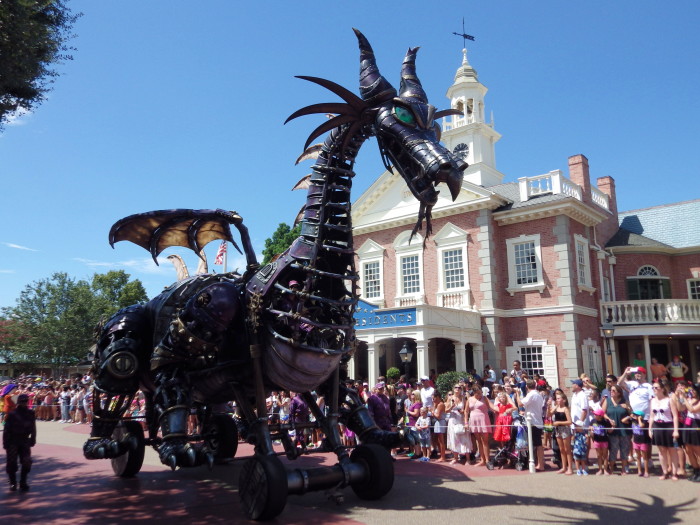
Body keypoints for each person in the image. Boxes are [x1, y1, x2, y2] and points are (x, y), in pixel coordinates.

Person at [649, 380, 681, 480]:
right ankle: (665, 471)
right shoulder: (652, 400)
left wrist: (675, 430)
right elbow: (651, 416)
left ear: (662, 389)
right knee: (661, 450)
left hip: (668, 425)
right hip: (657, 426)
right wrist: (650, 429)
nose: (654, 390)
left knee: (672, 450)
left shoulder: (669, 400)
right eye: (653, 388)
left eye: (656, 388)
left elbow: (675, 416)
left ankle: (674, 473)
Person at [3, 393, 36, 491]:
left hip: (25, 440)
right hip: (13, 440)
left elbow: (33, 427)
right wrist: (5, 442)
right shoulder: (12, 414)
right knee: (12, 463)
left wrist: (33, 438)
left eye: (25, 401)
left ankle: (23, 481)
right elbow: (6, 429)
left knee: (26, 462)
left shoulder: (30, 413)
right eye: (22, 401)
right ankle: (13, 482)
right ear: (18, 402)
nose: (24, 403)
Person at [602, 384, 633, 475]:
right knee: (613, 450)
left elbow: (632, 413)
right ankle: (611, 468)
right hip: (612, 430)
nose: (611, 392)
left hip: (624, 429)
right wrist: (608, 419)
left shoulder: (624, 401)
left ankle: (624, 468)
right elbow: (602, 413)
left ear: (619, 393)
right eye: (611, 390)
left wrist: (627, 408)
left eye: (614, 391)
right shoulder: (607, 401)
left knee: (624, 449)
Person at [516, 379, 546, 471]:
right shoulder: (538, 394)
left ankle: (540, 464)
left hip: (534, 422)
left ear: (526, 387)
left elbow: (520, 403)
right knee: (536, 444)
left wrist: (517, 394)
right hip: (536, 420)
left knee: (538, 444)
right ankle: (538, 463)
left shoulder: (532, 394)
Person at [468, 386, 494, 466]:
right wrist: (466, 423)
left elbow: (492, 407)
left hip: (483, 420)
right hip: (474, 421)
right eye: (478, 393)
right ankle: (482, 460)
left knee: (485, 441)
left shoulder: (484, 398)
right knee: (478, 441)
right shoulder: (469, 399)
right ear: (474, 393)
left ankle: (487, 460)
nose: (480, 394)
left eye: (481, 393)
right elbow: (466, 411)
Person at [549, 390, 574, 475]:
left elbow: (570, 422)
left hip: (565, 429)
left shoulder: (565, 409)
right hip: (558, 430)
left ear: (563, 400)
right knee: (561, 449)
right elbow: (549, 415)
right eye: (557, 398)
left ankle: (570, 467)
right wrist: (550, 406)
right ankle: (564, 467)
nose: (557, 400)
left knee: (567, 449)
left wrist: (559, 423)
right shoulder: (556, 408)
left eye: (559, 398)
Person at [446, 384, 471, 464]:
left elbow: (467, 410)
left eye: (459, 388)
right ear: (453, 389)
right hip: (453, 420)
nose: (457, 389)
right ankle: (455, 458)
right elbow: (446, 410)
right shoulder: (450, 398)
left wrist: (462, 411)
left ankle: (468, 459)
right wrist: (451, 407)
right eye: (456, 387)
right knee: (454, 438)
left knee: (464, 438)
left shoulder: (463, 398)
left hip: (461, 419)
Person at [680, 383, 700, 482]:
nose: (691, 392)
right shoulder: (689, 399)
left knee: (697, 450)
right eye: (691, 390)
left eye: (693, 390)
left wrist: (684, 399)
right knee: (688, 450)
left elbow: (692, 410)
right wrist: (678, 397)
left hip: (696, 425)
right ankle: (696, 471)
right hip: (688, 425)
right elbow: (681, 408)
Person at [590, 408, 612, 475]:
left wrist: (613, 426)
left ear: (600, 416)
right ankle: (600, 470)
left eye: (596, 414)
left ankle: (605, 470)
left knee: (605, 456)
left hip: (604, 440)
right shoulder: (593, 421)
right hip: (596, 440)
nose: (594, 415)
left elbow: (609, 431)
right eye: (595, 414)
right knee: (599, 455)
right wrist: (590, 429)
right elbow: (590, 427)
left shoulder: (605, 421)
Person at [631, 409, 651, 477]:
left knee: (644, 457)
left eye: (636, 415)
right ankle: (639, 471)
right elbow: (623, 420)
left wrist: (639, 419)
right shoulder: (633, 421)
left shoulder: (645, 422)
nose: (634, 416)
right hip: (636, 441)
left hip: (643, 441)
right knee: (638, 457)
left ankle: (646, 471)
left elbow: (641, 426)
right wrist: (630, 416)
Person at [432, 392, 448, 462]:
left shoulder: (441, 404)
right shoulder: (437, 404)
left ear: (438, 397)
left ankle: (443, 457)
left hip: (440, 422)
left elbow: (438, 416)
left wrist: (432, 412)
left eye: (434, 398)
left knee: (441, 441)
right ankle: (441, 455)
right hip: (438, 423)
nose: (433, 400)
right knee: (438, 440)